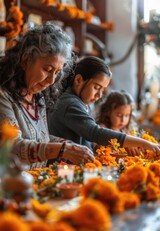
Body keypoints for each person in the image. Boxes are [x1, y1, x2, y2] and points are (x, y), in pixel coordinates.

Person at [0, 22, 94, 169]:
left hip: (36, 183)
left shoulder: (38, 97)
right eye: (47, 69)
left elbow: (39, 139)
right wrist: (62, 150)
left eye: (57, 73)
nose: (51, 80)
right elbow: (12, 146)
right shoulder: (3, 96)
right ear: (26, 60)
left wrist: (67, 145)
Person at [48, 56, 160, 157]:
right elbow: (95, 133)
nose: (99, 95)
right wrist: (143, 143)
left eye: (102, 90)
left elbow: (88, 141)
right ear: (78, 80)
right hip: (63, 170)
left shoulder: (81, 103)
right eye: (96, 87)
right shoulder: (70, 104)